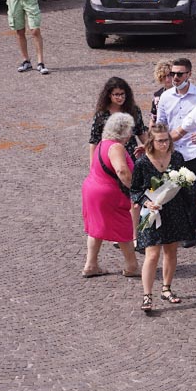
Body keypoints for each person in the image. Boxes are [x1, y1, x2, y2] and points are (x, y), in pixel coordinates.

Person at [131, 124, 195, 311]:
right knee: (152, 254)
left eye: (167, 140)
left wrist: (194, 203)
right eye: (160, 141)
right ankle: (147, 295)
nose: (164, 144)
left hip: (174, 211)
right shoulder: (142, 163)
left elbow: (185, 187)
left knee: (171, 251)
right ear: (151, 141)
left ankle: (166, 288)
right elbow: (135, 190)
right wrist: (146, 202)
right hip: (151, 213)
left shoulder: (176, 158)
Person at [81, 112, 141, 280]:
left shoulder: (103, 143)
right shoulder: (117, 147)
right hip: (108, 194)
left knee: (95, 228)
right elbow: (122, 171)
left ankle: (90, 265)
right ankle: (132, 266)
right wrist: (135, 188)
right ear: (124, 131)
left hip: (92, 190)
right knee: (123, 227)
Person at [155, 58, 196, 246]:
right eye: (172, 74)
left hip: (195, 150)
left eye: (179, 74)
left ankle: (192, 229)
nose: (175, 77)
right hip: (174, 150)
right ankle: (183, 228)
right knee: (177, 190)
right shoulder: (166, 97)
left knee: (194, 190)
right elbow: (161, 124)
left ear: (189, 74)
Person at [89, 77, 148, 162]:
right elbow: (94, 140)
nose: (120, 98)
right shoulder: (101, 114)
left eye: (122, 94)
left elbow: (141, 132)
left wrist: (151, 150)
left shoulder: (134, 110)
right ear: (109, 95)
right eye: (116, 94)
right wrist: (92, 165)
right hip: (109, 157)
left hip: (131, 156)